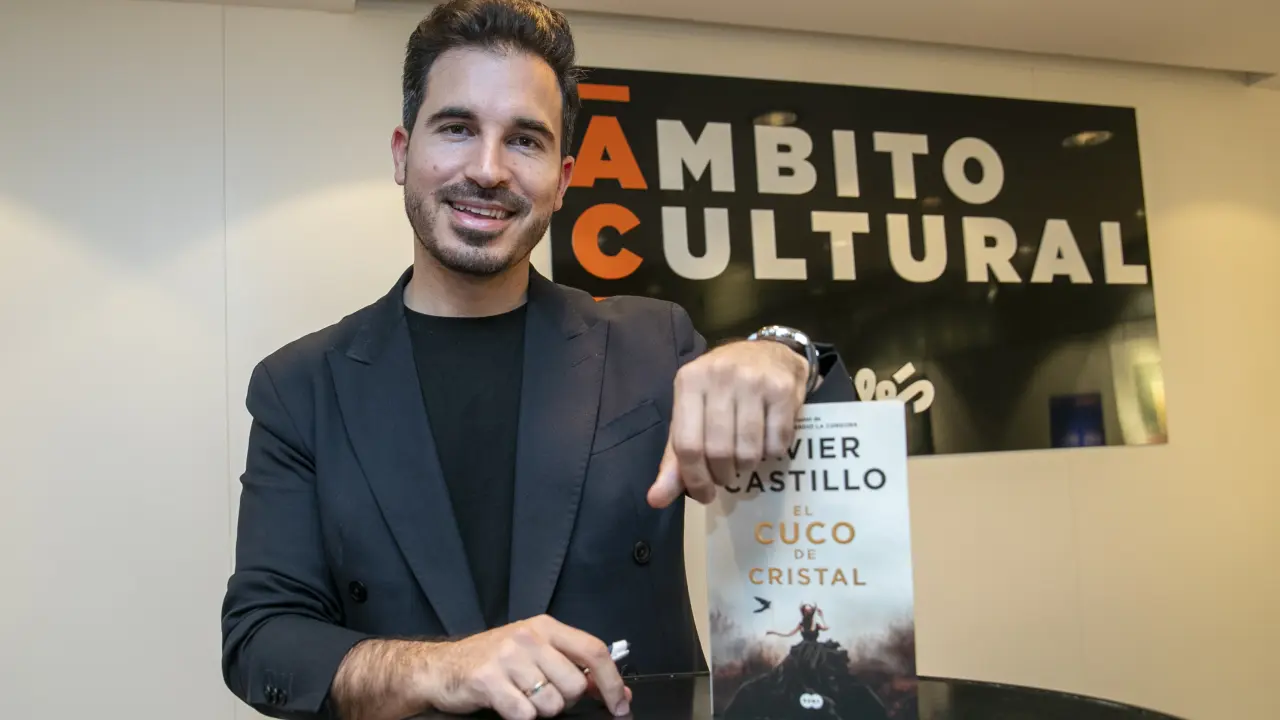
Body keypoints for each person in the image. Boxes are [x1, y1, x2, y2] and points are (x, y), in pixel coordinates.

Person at [220, 2, 840, 719]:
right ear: (402, 153)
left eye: (524, 140)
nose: (488, 170)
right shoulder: (300, 387)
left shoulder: (651, 342)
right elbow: (263, 639)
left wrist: (785, 358)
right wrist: (442, 666)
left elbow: (827, 463)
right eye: (457, 128)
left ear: (563, 177)